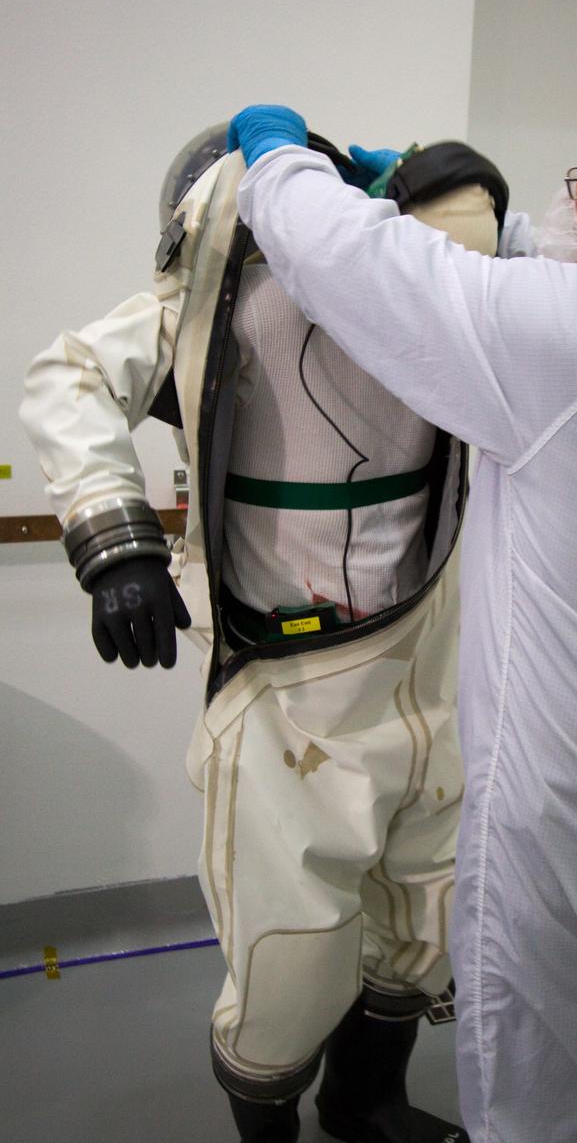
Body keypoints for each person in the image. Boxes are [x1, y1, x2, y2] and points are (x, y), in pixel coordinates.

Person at [225, 60, 577, 1143]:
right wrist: (464, 196)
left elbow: (358, 265)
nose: (569, 200)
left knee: (549, 1101)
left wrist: (277, 157)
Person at [21, 127, 510, 1143]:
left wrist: (471, 202)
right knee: (290, 948)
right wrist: (117, 546)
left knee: (428, 914)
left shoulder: (409, 274)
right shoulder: (206, 301)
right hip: (290, 681)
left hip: (432, 651)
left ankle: (365, 1097)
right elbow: (69, 377)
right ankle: (272, 1122)